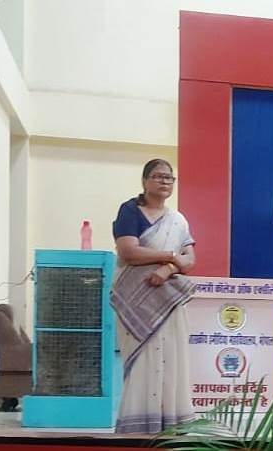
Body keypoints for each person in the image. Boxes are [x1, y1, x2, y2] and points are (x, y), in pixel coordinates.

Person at [111, 158, 197, 433]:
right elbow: (128, 251)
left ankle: (170, 425)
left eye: (169, 177)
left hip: (168, 301)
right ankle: (137, 428)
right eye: (158, 176)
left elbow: (189, 260)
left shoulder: (177, 220)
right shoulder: (130, 210)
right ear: (144, 181)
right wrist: (171, 257)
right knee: (142, 362)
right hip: (135, 301)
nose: (164, 181)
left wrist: (168, 269)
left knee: (171, 359)